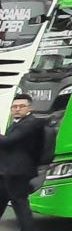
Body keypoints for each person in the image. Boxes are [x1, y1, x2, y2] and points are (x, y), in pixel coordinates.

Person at [0, 94, 45, 231]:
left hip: (19, 172)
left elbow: (9, 141)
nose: (17, 109)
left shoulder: (31, 123)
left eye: (21, 106)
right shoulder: (17, 124)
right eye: (14, 107)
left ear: (29, 108)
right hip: (7, 170)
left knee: (20, 204)